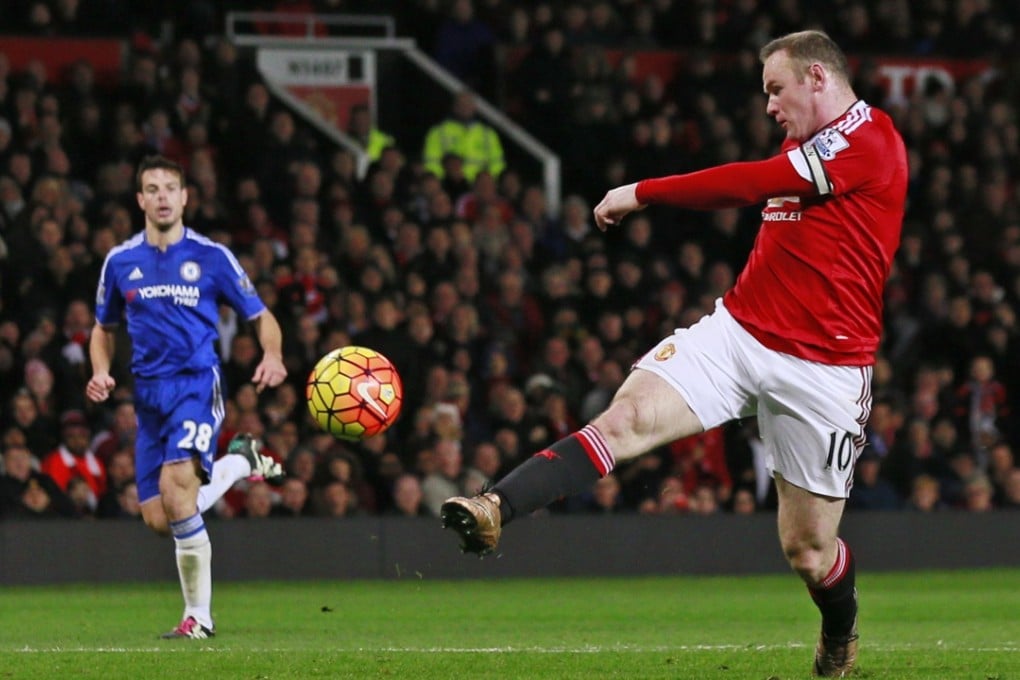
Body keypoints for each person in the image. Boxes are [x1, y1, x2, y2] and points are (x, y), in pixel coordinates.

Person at [441, 30, 907, 678]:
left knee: (807, 551)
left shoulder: (872, 140)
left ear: (818, 79)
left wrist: (645, 191)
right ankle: (495, 506)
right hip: (738, 335)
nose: (770, 105)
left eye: (777, 89)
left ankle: (840, 627)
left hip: (824, 370)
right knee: (623, 421)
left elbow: (751, 183)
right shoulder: (808, 142)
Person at [86, 155, 288, 640]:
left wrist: (273, 354)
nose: (161, 196)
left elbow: (260, 314)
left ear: (184, 197)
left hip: (197, 385)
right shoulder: (120, 261)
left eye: (169, 188)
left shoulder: (213, 256)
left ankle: (199, 617)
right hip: (148, 398)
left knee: (179, 492)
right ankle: (240, 463)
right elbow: (102, 328)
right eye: (151, 189)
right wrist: (99, 370)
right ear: (140, 200)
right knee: (161, 517)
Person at [422, 90, 505, 182]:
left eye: (468, 103)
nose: (465, 107)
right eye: (461, 104)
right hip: (451, 186)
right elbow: (432, 163)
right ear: (454, 106)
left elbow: (497, 164)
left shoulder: (488, 134)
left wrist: (489, 183)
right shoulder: (437, 132)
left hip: (481, 188)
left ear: (474, 107)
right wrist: (442, 182)